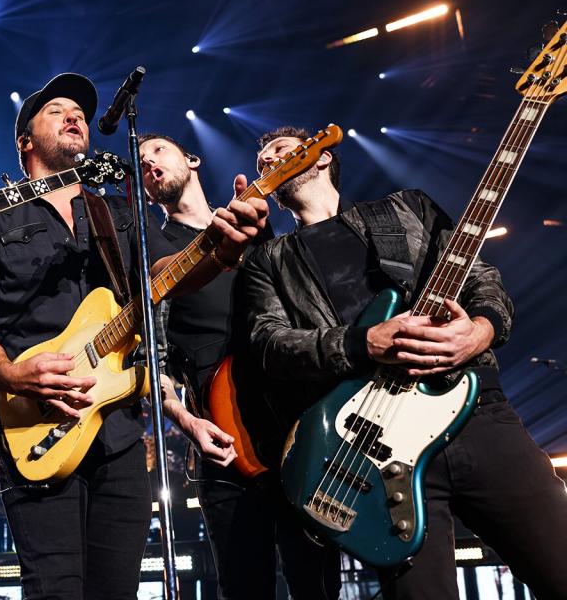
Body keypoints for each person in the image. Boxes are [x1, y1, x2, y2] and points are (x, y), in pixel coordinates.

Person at [0, 72, 269, 600]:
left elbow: (161, 279)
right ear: (25, 140)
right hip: (36, 426)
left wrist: (221, 249)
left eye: (79, 111)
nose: (74, 115)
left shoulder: (117, 213)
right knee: (57, 589)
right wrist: (13, 373)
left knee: (117, 590)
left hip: (120, 429)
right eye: (56, 109)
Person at [240, 126, 567, 599]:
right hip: (374, 448)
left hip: (474, 412)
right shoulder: (269, 259)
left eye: (281, 151)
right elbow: (268, 344)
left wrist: (480, 331)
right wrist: (359, 343)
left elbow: (482, 279)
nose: (269, 163)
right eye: (262, 162)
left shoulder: (404, 208)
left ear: (322, 156)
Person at [138, 132, 341, 599]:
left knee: (319, 583)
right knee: (245, 586)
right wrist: (184, 419)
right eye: (142, 160)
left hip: (296, 430)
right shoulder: (151, 248)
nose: (149, 162)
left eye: (159, 151)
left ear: (191, 160)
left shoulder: (258, 229)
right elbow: (150, 356)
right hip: (223, 437)